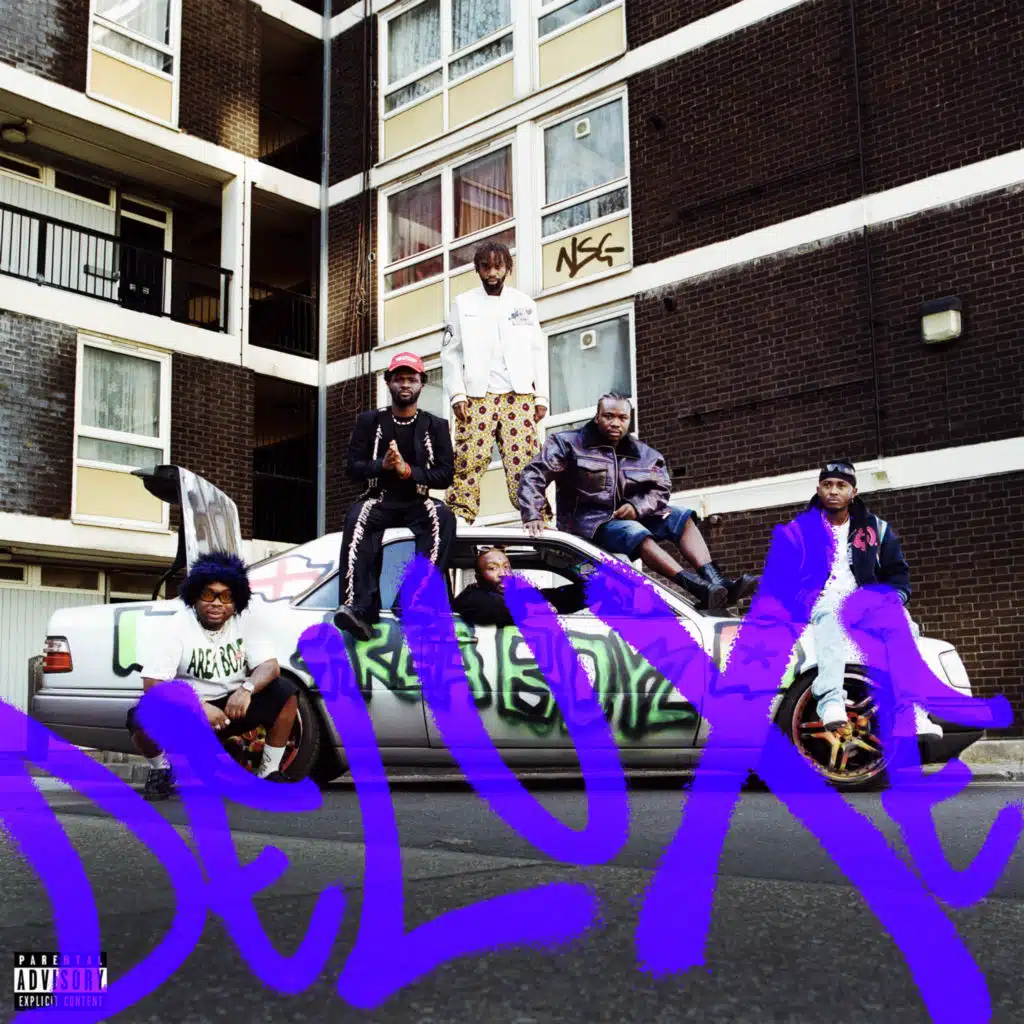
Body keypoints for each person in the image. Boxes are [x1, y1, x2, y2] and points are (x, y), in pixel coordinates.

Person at [517, 393, 757, 611]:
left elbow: (661, 488)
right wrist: (532, 513)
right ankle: (697, 587)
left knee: (680, 516)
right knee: (633, 531)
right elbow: (534, 474)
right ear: (597, 417)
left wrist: (636, 507)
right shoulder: (566, 443)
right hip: (588, 525)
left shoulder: (644, 454)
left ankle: (716, 582)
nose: (615, 423)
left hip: (628, 516)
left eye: (622, 418)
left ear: (629, 420)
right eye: (608, 416)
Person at [128, 551, 298, 801]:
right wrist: (198, 705)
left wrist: (246, 689)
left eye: (226, 597)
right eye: (209, 595)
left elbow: (270, 667)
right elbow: (153, 684)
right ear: (195, 597)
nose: (217, 603)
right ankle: (162, 769)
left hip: (233, 707)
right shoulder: (175, 626)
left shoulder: (245, 622)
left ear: (236, 601)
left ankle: (269, 771)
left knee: (285, 691)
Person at [799, 459, 936, 739]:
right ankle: (831, 703)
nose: (833, 491)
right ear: (818, 489)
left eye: (841, 485)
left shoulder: (876, 529)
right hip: (824, 599)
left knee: (905, 627)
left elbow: (898, 573)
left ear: (854, 492)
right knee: (829, 617)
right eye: (827, 485)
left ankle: (911, 713)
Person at [334, 351, 456, 642]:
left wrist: (408, 471)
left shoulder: (436, 425)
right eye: (399, 379)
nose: (405, 385)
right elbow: (352, 469)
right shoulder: (370, 421)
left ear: (421, 383)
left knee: (444, 517)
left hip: (417, 499)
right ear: (388, 382)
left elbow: (445, 475)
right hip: (379, 498)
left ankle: (413, 601)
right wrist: (383, 466)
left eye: (411, 379)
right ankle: (359, 610)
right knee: (357, 518)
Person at [441, 240, 551, 527]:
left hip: (519, 394)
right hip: (477, 395)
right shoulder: (463, 303)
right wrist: (457, 394)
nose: (492, 273)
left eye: (498, 267)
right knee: (469, 457)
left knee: (524, 457)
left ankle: (536, 516)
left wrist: (541, 397)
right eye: (485, 267)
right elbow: (450, 353)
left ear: (508, 268)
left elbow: (537, 350)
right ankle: (460, 516)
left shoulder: (524, 303)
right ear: (477, 269)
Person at [453, 546, 587, 626]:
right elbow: (489, 605)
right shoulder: (470, 597)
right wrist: (535, 609)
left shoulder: (515, 594)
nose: (503, 573)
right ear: (478, 577)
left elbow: (557, 597)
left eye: (506, 567)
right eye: (493, 568)